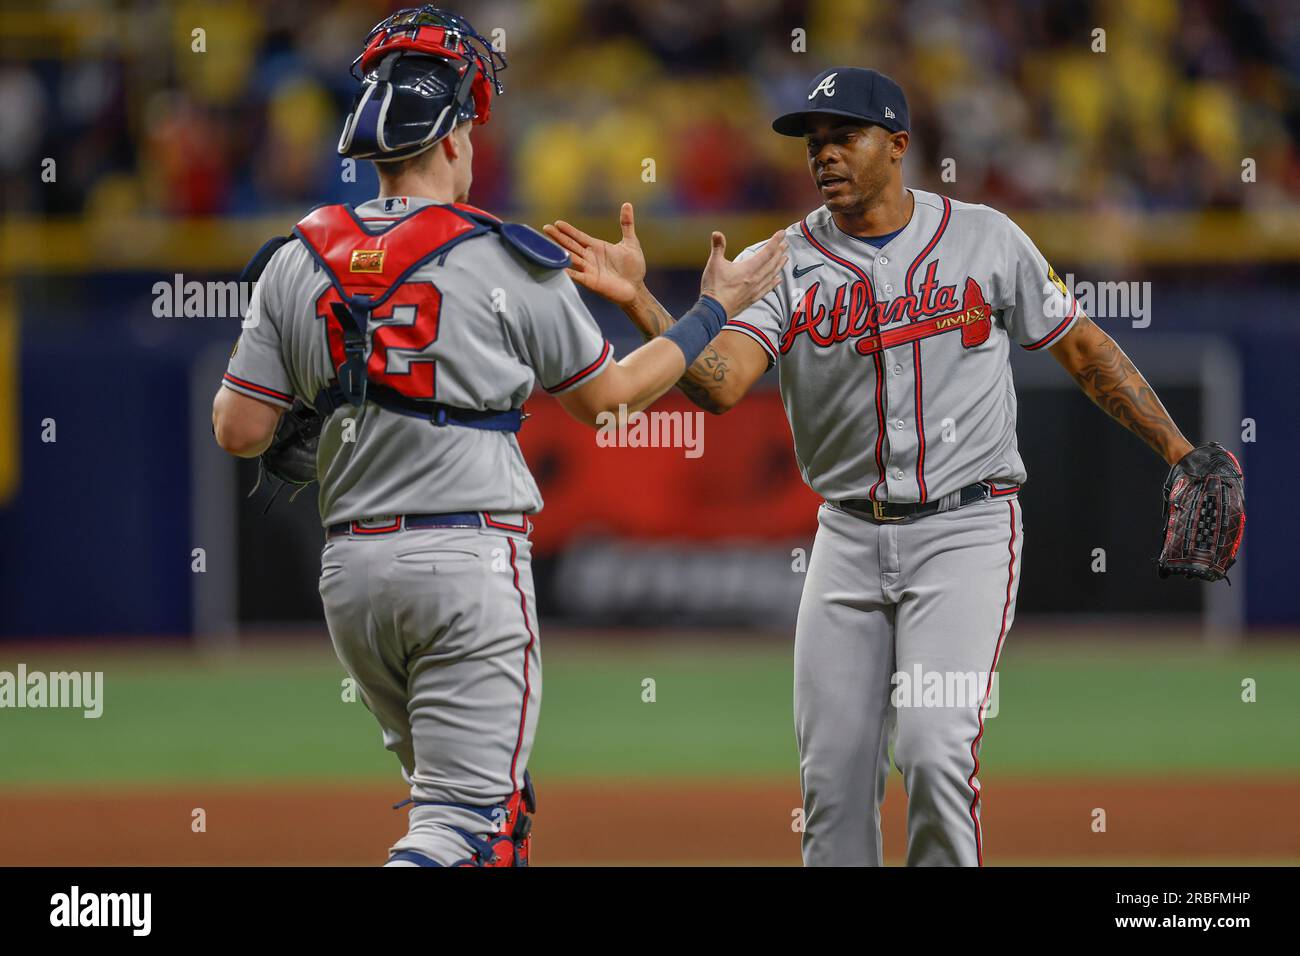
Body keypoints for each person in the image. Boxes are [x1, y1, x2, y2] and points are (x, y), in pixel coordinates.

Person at [544, 66, 1243, 866]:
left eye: (845, 136)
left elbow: (1084, 349)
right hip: (845, 540)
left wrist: (1181, 452)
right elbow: (720, 384)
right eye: (815, 143)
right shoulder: (784, 260)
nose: (825, 156)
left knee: (938, 752)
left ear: (898, 145)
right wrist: (641, 303)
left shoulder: (985, 237)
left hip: (965, 530)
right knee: (832, 789)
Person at [209, 6, 786, 867]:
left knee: (472, 816)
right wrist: (713, 310)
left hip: (354, 576)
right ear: (449, 141)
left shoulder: (297, 257)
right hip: (467, 563)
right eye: (470, 131)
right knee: (469, 828)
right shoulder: (501, 255)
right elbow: (613, 399)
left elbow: (240, 429)